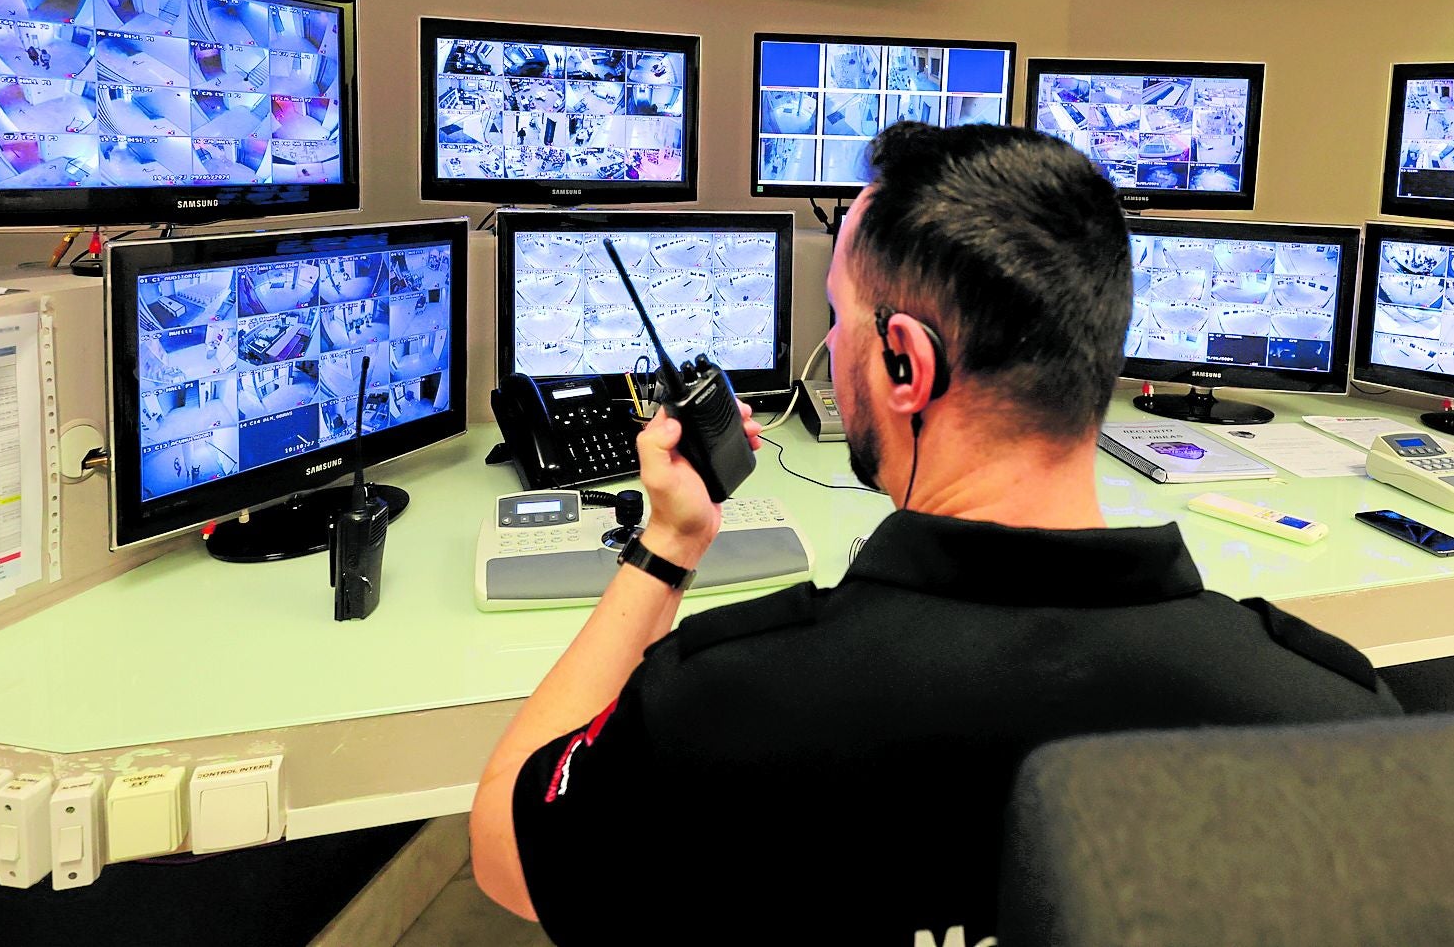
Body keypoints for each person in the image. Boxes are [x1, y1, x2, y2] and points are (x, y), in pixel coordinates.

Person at [470, 123, 1401, 946]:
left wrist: (665, 546)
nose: (831, 348)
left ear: (907, 361)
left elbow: (507, 855)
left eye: (838, 318)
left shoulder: (718, 704)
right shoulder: (1338, 718)